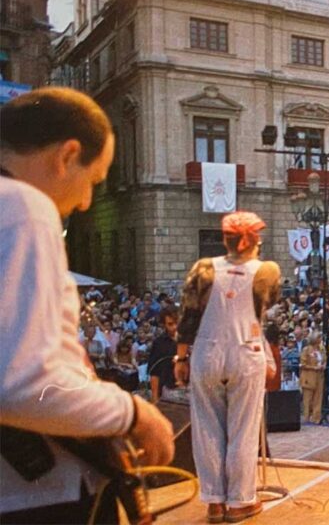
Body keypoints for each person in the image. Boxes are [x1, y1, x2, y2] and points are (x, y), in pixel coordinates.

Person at [0, 87, 173, 523]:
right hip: (37, 495)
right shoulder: (22, 205)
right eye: (93, 180)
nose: (85, 202)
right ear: (66, 155)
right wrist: (131, 413)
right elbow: (22, 383)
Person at [175, 211, 281, 523]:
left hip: (207, 350)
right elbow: (269, 311)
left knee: (207, 427)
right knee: (243, 429)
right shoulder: (267, 271)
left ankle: (214, 502)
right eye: (257, 235)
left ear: (226, 239)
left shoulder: (204, 269)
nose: (260, 240)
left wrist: (181, 357)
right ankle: (240, 501)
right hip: (246, 351)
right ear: (249, 240)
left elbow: (187, 316)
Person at [300, 333, 326, 424]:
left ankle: (316, 418)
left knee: (318, 398)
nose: (320, 339)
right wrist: (313, 367)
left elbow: (324, 360)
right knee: (307, 399)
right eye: (319, 337)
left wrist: (323, 365)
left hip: (319, 376)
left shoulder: (322, 350)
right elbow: (302, 364)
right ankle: (306, 418)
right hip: (309, 376)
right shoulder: (306, 350)